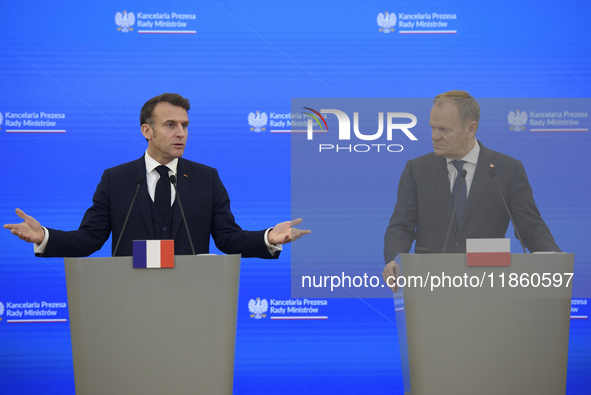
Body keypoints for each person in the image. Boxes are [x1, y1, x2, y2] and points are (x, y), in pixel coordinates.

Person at [4, 93, 310, 257]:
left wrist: (269, 237)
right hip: (131, 300)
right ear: (147, 131)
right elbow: (89, 239)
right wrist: (44, 236)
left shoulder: (207, 178)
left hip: (193, 300)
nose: (181, 133)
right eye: (171, 125)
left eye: (185, 125)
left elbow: (228, 239)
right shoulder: (117, 179)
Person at [382, 90, 560, 290]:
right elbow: (401, 227)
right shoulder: (417, 170)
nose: (434, 136)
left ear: (471, 129)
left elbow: (530, 226)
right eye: (432, 128)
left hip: (488, 286)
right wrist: (393, 261)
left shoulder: (506, 170)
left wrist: (552, 256)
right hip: (430, 286)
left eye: (444, 129)